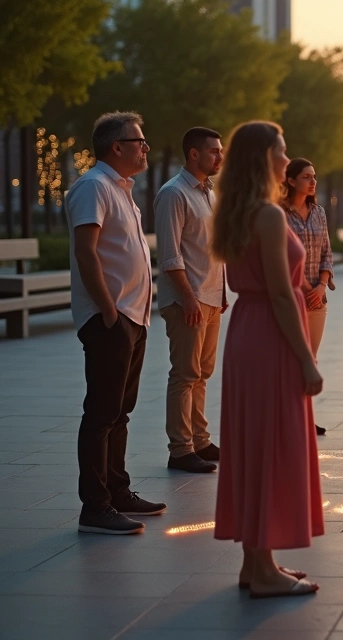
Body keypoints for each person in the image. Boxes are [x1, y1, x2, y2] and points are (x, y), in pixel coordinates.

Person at [212, 120, 323, 598]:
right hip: (272, 336)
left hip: (245, 333)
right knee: (273, 444)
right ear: (263, 158)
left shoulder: (239, 212)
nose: (286, 158)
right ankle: (262, 569)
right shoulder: (270, 216)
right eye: (281, 151)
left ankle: (257, 563)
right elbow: (282, 293)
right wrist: (307, 359)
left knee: (253, 444)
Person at [67, 111, 167, 535]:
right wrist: (108, 310)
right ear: (116, 146)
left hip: (133, 316)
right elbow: (87, 253)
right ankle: (96, 506)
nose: (145, 147)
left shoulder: (120, 188)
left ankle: (117, 490)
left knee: (120, 412)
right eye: (138, 141)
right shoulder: (93, 186)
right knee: (102, 413)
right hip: (111, 317)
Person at [155, 126, 227, 474]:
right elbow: (170, 255)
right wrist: (189, 298)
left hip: (211, 297)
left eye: (221, 150)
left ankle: (200, 439)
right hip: (188, 300)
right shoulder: (173, 194)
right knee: (184, 374)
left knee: (202, 374)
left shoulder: (209, 193)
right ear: (194, 154)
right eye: (214, 151)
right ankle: (180, 449)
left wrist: (221, 293)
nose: (220, 156)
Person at [282, 158, 335, 437]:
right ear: (290, 181)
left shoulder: (319, 212)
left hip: (318, 298)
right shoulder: (280, 213)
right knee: (292, 358)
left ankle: (305, 417)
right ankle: (289, 417)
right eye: (306, 177)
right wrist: (304, 287)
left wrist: (321, 286)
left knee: (311, 359)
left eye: (314, 176)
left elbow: (327, 250)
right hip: (292, 296)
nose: (313, 181)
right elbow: (282, 256)